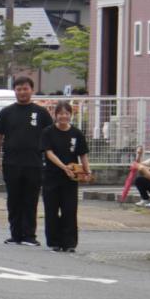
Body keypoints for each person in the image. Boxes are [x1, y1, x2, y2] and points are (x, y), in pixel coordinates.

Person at [0, 76, 54, 246]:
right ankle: (15, 234)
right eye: (19, 89)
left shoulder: (41, 113)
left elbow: (50, 137)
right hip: (11, 163)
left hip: (34, 163)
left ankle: (29, 235)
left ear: (31, 90)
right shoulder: (6, 112)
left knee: (31, 199)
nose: (22, 92)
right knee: (13, 199)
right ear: (15, 91)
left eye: (25, 88)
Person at [40, 100, 91, 252]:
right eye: (60, 114)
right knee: (51, 209)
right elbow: (49, 153)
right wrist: (64, 167)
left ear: (71, 115)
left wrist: (87, 172)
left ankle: (69, 243)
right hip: (51, 176)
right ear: (55, 115)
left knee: (69, 209)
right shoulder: (48, 132)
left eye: (66, 114)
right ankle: (54, 242)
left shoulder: (77, 133)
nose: (63, 116)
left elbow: (83, 155)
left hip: (71, 178)